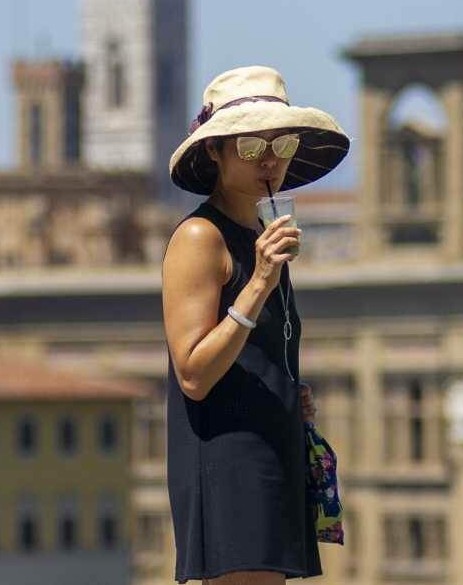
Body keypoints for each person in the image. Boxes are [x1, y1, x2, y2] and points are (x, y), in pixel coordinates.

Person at [161, 65, 351, 584]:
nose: (269, 158)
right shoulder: (201, 237)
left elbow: (247, 349)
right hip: (228, 455)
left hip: (273, 443)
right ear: (215, 154)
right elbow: (193, 373)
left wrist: (287, 387)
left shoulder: (259, 234)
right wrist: (261, 279)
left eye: (282, 142)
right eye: (249, 146)